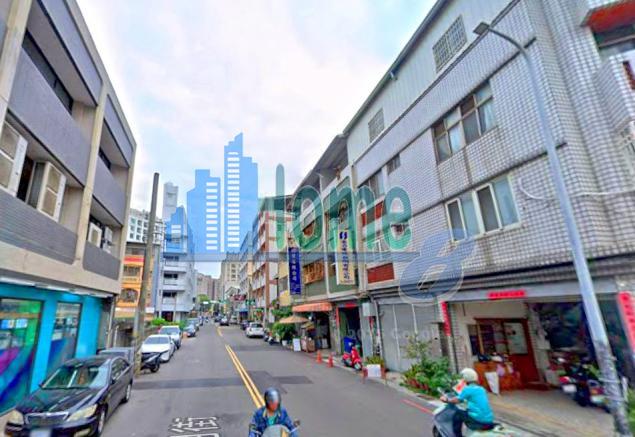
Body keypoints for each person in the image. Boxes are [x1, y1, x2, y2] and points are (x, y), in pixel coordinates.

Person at [440, 368, 495, 437]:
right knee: (466, 412)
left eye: (462, 378)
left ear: (466, 378)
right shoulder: (481, 389)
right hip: (489, 420)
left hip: (479, 421)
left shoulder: (468, 389)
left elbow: (457, 400)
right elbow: (473, 399)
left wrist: (447, 400)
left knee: (458, 413)